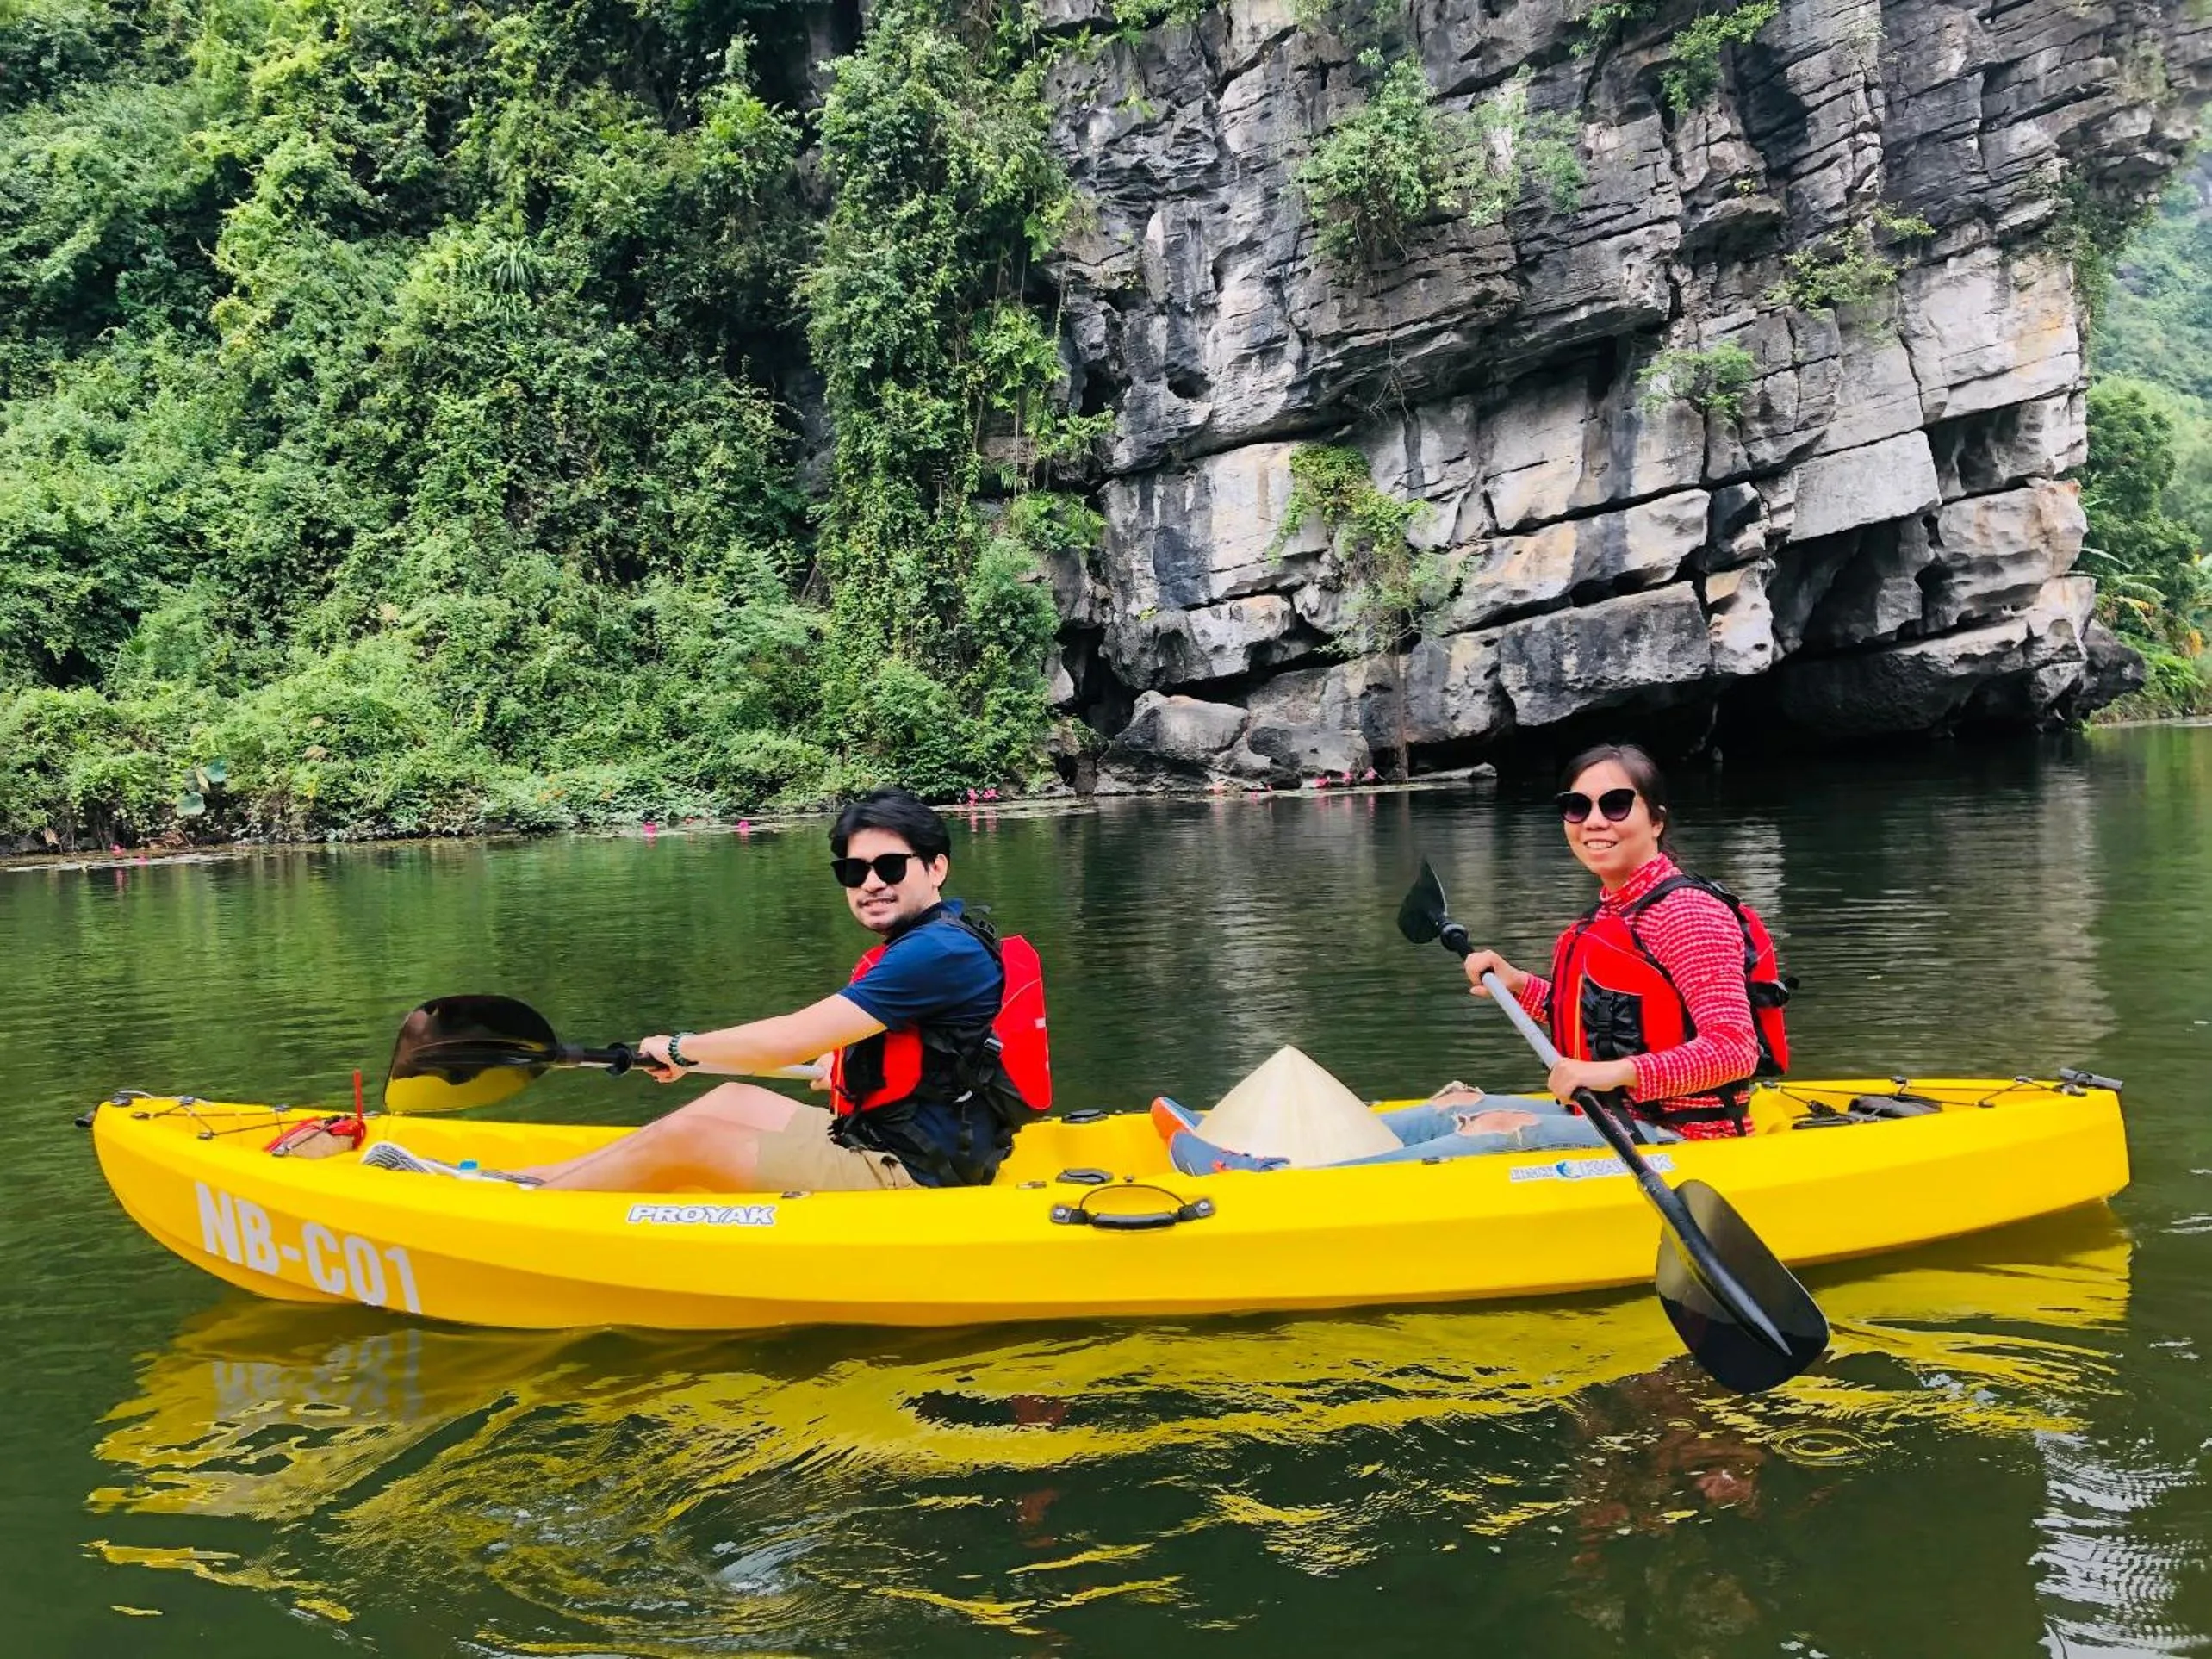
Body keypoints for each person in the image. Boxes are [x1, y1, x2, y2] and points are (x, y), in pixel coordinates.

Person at [366, 788, 1049, 1192]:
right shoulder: (944, 939)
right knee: (727, 1098)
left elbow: (788, 1036)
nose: (870, 882)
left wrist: (683, 1044)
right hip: (905, 1143)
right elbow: (854, 1058)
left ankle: (520, 1204)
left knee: (691, 1133)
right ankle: (532, 1181)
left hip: (910, 1179)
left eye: (890, 865)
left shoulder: (933, 953)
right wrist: (705, 1062)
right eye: (853, 870)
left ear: (935, 866)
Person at [1168, 742, 1781, 1174]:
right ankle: (1264, 1138)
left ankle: (1288, 1187)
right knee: (1458, 1106)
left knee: (1492, 1130)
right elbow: (1604, 1020)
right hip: (1613, 1110)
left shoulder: (1686, 914)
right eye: (1577, 806)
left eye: (1615, 805)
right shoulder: (1614, 910)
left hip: (1688, 1138)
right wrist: (1520, 986)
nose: (1594, 821)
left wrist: (1607, 1076)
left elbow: (1734, 1050)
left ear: (1655, 819)